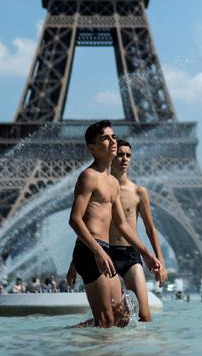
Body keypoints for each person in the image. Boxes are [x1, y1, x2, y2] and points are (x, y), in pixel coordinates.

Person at [67, 120, 161, 328]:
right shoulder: (88, 176)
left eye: (113, 137)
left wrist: (146, 253)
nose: (112, 141)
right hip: (90, 250)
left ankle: (77, 332)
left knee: (121, 318)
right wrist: (98, 252)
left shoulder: (113, 183)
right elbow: (75, 219)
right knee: (106, 320)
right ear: (92, 148)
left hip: (104, 250)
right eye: (105, 138)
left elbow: (122, 224)